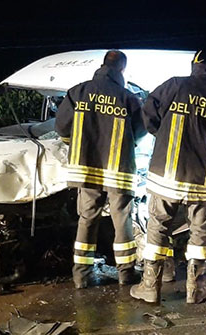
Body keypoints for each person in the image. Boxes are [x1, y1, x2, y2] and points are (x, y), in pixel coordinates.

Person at [131, 46, 206, 304]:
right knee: (200, 235)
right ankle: (196, 288)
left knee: (157, 228)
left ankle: (150, 286)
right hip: (204, 183)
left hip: (165, 177)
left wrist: (165, 137)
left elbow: (148, 117)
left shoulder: (174, 86)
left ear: (196, 64)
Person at [55, 50, 147, 288]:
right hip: (119, 170)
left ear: (102, 65)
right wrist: (128, 144)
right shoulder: (127, 97)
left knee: (87, 219)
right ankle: (126, 274)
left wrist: (77, 144)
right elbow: (140, 131)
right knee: (122, 220)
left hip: (86, 168)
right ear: (122, 70)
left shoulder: (78, 92)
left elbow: (62, 127)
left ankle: (81, 276)